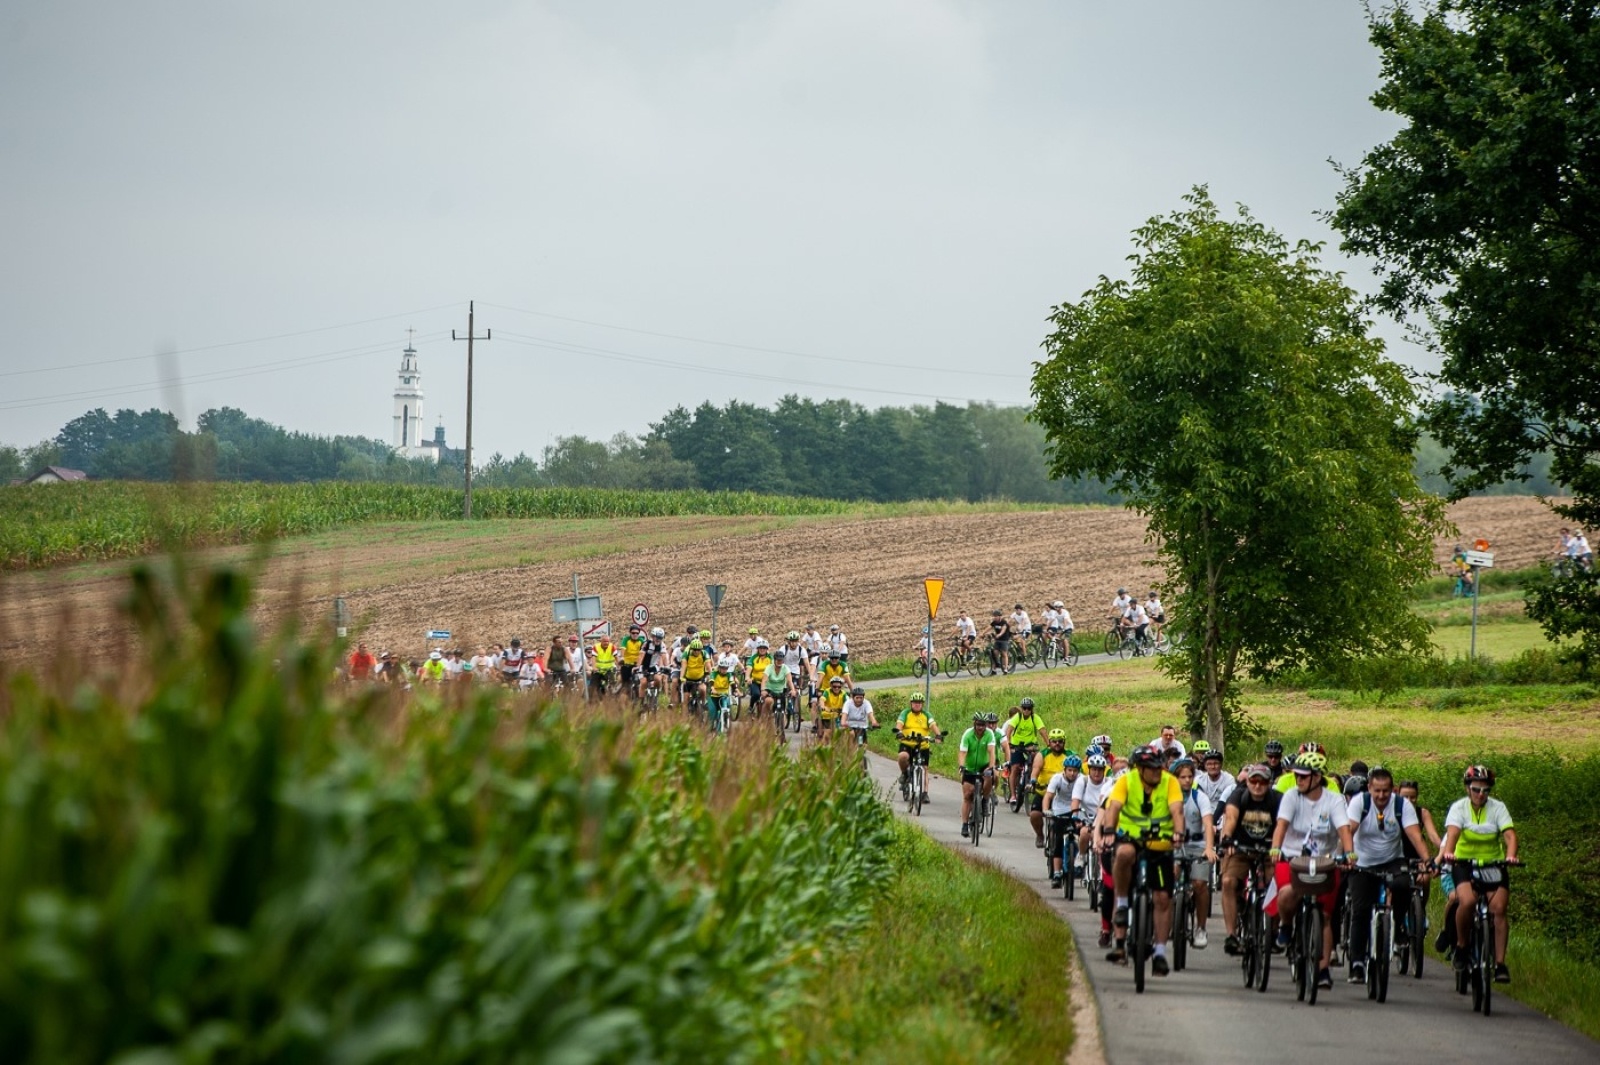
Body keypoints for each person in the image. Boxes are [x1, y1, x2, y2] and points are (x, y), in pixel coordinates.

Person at [1269, 750, 1355, 991]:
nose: (1299, 780)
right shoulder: (1291, 797)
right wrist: (1276, 848)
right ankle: (1286, 925)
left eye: (1304, 776)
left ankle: (1323, 968)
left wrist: (1349, 854)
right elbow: (1281, 825)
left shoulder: (1333, 800)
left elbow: (1344, 830)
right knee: (1287, 893)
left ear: (1317, 777)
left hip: (1324, 860)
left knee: (1326, 916)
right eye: (1297, 775)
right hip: (1293, 857)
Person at [1098, 745, 1184, 974]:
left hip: (1161, 843)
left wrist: (1179, 833)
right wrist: (1108, 831)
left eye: (1159, 766)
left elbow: (1177, 811)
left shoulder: (1170, 782)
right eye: (1152, 768)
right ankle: (1123, 911)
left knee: (1163, 898)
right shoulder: (1126, 781)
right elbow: (1113, 807)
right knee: (1123, 855)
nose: (1158, 771)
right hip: (1130, 837)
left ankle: (1159, 953)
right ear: (1140, 769)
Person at [1344, 765, 1432, 984]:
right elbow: (1349, 830)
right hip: (1362, 862)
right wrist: (1345, 855)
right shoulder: (1359, 803)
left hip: (1393, 860)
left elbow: (1414, 835)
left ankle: (1399, 925)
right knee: (1361, 910)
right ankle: (1356, 963)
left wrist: (1427, 861)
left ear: (1392, 789)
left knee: (1404, 886)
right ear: (1370, 789)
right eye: (1377, 791)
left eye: (1385, 791)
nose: (1381, 796)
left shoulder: (1402, 805)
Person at [1438, 765, 1518, 983]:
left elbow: (1510, 836)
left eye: (1485, 790)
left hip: (1493, 864)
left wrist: (1510, 856)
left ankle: (1500, 964)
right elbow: (1453, 834)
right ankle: (1462, 946)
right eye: (1475, 789)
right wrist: (1450, 854)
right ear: (1467, 789)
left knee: (1499, 909)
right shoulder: (1459, 808)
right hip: (1464, 863)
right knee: (1466, 901)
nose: (1480, 794)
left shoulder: (1498, 808)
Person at [1218, 763, 1281, 955]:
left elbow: (1283, 823)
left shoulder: (1277, 799)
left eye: (1262, 782)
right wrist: (1227, 839)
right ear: (1248, 781)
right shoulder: (1239, 796)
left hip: (1270, 850)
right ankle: (1232, 935)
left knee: (1278, 885)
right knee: (1229, 882)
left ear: (1269, 783)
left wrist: (1280, 847)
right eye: (1253, 781)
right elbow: (1230, 819)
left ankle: (1273, 931)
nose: (1258, 785)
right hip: (1241, 848)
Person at [1172, 758, 1218, 948]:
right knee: (1169, 877)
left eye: (1190, 776)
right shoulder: (1167, 797)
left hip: (1197, 846)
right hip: (1173, 847)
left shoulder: (1200, 797)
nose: (1187, 780)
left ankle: (1200, 928)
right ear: (1175, 779)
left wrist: (1208, 848)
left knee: (1200, 884)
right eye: (1183, 777)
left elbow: (1208, 823)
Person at [1072, 751, 1116, 946]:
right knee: (1083, 835)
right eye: (1094, 769)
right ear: (1089, 770)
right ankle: (1081, 857)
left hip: (1102, 819)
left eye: (1100, 769)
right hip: (1085, 816)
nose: (1096, 773)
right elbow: (1076, 801)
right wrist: (1076, 815)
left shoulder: (1108, 783)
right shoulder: (1082, 781)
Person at [1002, 699, 1047, 835]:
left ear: (1032, 709)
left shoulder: (1035, 718)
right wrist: (1009, 744)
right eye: (1024, 708)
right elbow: (1009, 730)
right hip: (1017, 746)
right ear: (1021, 708)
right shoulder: (1018, 717)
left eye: (1029, 708)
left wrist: (1048, 743)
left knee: (1036, 765)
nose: (1026, 710)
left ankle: (1032, 784)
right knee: (1015, 767)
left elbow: (1042, 731)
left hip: (1031, 746)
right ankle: (1014, 795)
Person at [1042, 750, 1084, 889]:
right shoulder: (1057, 778)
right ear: (1064, 770)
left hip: (1076, 811)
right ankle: (1057, 873)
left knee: (1081, 837)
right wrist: (1046, 810)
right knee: (1059, 840)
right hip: (1059, 810)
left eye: (1075, 771)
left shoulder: (1082, 780)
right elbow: (1048, 796)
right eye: (1070, 770)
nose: (1072, 773)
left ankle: (1079, 864)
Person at [1029, 728, 1072, 852]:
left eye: (1060, 741)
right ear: (1050, 742)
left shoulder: (1069, 755)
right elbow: (1035, 770)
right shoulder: (1042, 754)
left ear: (1064, 742)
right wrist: (1033, 781)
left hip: (1062, 795)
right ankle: (1040, 835)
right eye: (1054, 741)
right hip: (1044, 791)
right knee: (1035, 815)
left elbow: (1076, 771)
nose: (1057, 744)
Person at [957, 712, 997, 839]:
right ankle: (964, 824)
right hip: (969, 767)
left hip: (983, 765)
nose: (981, 727)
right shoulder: (968, 734)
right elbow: (963, 753)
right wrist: (962, 766)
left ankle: (985, 799)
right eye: (978, 724)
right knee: (967, 796)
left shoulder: (989, 734)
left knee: (991, 775)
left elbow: (991, 752)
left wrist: (991, 767)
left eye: (983, 725)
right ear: (974, 723)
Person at [895, 693, 942, 798]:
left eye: (919, 703)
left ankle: (925, 793)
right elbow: (899, 724)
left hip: (922, 745)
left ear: (922, 704)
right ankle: (905, 774)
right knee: (903, 756)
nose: (917, 705)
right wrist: (899, 732)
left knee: (924, 768)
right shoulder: (905, 713)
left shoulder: (926, 715)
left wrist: (938, 735)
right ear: (911, 703)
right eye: (915, 702)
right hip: (907, 743)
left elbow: (933, 725)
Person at [761, 649, 796, 727]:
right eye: (778, 660)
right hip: (770, 690)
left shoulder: (785, 668)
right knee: (768, 701)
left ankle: (781, 731)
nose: (779, 661)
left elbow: (790, 681)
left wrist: (793, 690)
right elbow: (764, 680)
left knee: (782, 711)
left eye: (781, 660)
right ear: (774, 660)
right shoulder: (769, 668)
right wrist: (763, 690)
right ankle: (764, 719)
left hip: (781, 691)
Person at [816, 676, 849, 740]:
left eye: (839, 687)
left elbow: (848, 702)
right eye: (834, 686)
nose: (836, 688)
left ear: (841, 687)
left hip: (839, 714)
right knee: (823, 731)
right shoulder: (827, 692)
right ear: (831, 685)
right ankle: (820, 736)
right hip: (827, 714)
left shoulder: (844, 693)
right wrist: (823, 706)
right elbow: (822, 699)